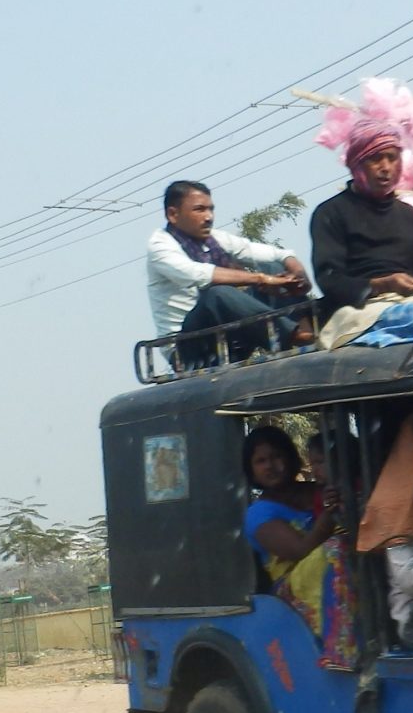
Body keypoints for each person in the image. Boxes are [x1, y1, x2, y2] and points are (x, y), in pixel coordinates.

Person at [146, 180, 312, 367]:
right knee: (217, 294)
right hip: (188, 345)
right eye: (199, 210)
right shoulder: (160, 246)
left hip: (226, 333)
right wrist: (261, 279)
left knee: (272, 266)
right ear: (173, 214)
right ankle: (292, 335)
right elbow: (198, 274)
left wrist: (296, 271)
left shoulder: (215, 239)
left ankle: (306, 329)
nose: (208, 217)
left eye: (211, 209)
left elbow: (273, 253)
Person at [308, 120, 413, 323]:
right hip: (358, 312)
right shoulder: (330, 213)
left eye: (392, 158)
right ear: (356, 163)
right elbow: (330, 281)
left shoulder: (410, 216)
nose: (385, 167)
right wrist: (384, 284)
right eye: (375, 158)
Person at [243, 426, 359, 669]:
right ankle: (340, 650)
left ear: (290, 457)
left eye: (276, 456)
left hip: (346, 565)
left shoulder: (318, 488)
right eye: (261, 461)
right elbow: (299, 550)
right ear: (251, 470)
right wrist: (329, 514)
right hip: (293, 588)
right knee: (336, 548)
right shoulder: (258, 513)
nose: (270, 466)